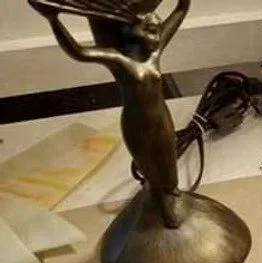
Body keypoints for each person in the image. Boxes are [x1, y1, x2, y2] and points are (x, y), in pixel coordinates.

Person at [30, 0, 191, 228]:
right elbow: (78, 52)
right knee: (148, 166)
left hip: (161, 118)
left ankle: (169, 194)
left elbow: (181, 9)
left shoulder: (155, 52)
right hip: (136, 123)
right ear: (132, 31)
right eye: (149, 29)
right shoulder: (118, 59)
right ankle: (158, 198)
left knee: (168, 164)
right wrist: (53, 20)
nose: (156, 34)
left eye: (157, 29)